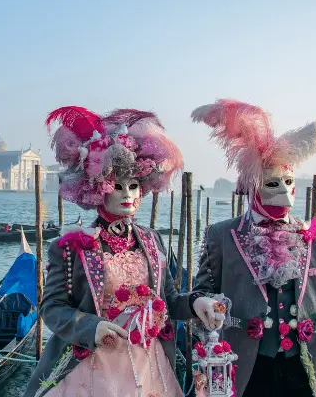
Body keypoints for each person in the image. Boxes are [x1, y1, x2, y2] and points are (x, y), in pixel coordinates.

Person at [189, 99, 316, 397]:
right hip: (244, 367)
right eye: (273, 183)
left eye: (289, 181)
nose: (284, 191)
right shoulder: (222, 235)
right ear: (254, 185)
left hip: (303, 368)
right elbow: (201, 294)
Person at [25, 107, 193, 397]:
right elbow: (51, 308)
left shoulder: (151, 240)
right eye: (118, 186)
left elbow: (168, 301)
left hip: (148, 368)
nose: (128, 194)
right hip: (91, 370)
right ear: (98, 188)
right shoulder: (70, 247)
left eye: (134, 186)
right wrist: (92, 327)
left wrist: (196, 304)